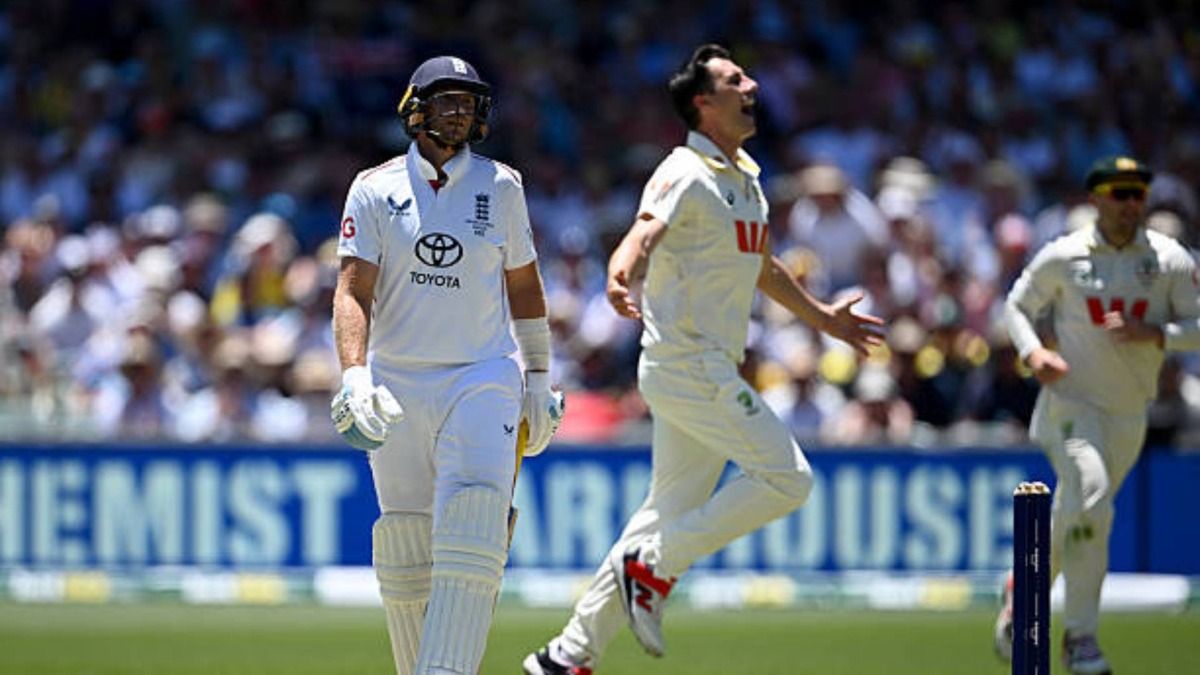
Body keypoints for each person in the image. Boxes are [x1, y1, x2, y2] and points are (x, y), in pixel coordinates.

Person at [523, 44, 883, 675]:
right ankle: (657, 566)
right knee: (788, 479)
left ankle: (567, 655)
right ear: (702, 104)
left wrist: (823, 317)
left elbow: (763, 266)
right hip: (688, 364)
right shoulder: (685, 168)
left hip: (706, 365)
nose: (752, 85)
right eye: (734, 80)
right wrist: (621, 273)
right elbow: (643, 229)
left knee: (662, 515)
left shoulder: (744, 178)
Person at [330, 55, 564, 675]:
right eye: (446, 100)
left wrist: (538, 376)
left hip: (481, 372)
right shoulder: (375, 188)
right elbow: (352, 291)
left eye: (469, 101)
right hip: (397, 381)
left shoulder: (502, 185)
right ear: (416, 108)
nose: (460, 112)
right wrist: (354, 374)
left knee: (475, 520)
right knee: (406, 549)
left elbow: (525, 286)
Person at [995, 156, 1200, 674]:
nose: (1131, 204)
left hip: (1130, 413)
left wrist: (1157, 335)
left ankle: (1024, 588)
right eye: (1120, 193)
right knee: (1092, 500)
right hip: (1070, 403)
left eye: (1138, 194)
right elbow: (1017, 307)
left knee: (1078, 513)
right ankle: (1081, 637)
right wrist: (1032, 354)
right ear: (1096, 198)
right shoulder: (1065, 255)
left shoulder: (1169, 259)